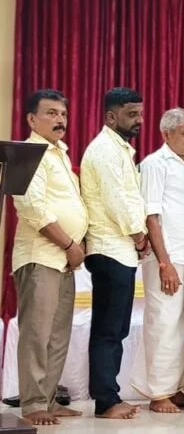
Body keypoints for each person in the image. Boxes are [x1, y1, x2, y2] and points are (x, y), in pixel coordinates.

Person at [10, 90, 87, 425]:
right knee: (37, 334)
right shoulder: (26, 154)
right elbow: (32, 208)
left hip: (64, 259)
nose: (60, 120)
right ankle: (33, 404)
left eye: (63, 114)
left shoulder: (60, 155)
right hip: (41, 255)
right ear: (31, 119)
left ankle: (50, 399)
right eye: (51, 113)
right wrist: (69, 244)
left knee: (58, 335)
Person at [130, 108, 184, 413]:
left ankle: (178, 388)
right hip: (167, 257)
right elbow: (151, 215)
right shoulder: (154, 164)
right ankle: (158, 393)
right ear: (166, 135)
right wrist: (164, 263)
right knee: (163, 324)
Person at [81, 87, 150, 420]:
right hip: (109, 248)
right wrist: (139, 235)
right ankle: (105, 401)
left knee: (116, 329)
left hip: (120, 251)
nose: (139, 120)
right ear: (111, 117)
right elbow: (116, 201)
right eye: (131, 114)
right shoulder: (104, 151)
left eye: (140, 113)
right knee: (108, 330)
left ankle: (110, 395)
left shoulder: (119, 148)